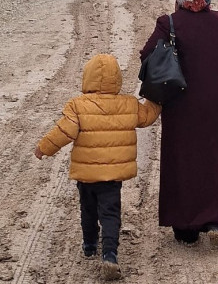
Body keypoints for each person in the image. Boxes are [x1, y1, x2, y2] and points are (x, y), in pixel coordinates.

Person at [139, 0, 218, 246]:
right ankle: (216, 221)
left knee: (183, 161)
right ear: (208, 0)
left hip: (180, 104)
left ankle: (185, 229)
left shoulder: (168, 22)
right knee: (217, 158)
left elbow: (146, 55)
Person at [34, 54, 162, 280]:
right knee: (110, 213)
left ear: (88, 78)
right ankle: (110, 255)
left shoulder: (77, 105)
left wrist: (43, 148)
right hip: (112, 177)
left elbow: (64, 132)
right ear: (117, 79)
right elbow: (148, 116)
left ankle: (90, 244)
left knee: (88, 209)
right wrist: (158, 99)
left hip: (87, 175)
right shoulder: (128, 104)